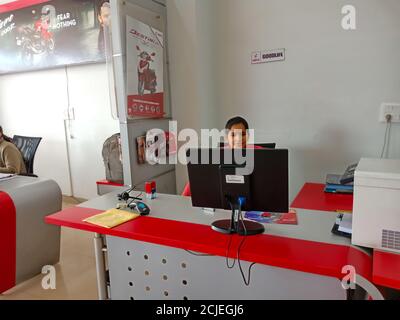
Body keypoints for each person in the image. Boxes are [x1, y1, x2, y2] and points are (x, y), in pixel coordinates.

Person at [182, 116, 262, 196]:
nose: (239, 138)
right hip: (224, 200)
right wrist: (183, 198)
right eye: (233, 135)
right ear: (226, 137)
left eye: (243, 134)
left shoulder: (261, 152)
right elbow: (198, 177)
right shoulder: (217, 154)